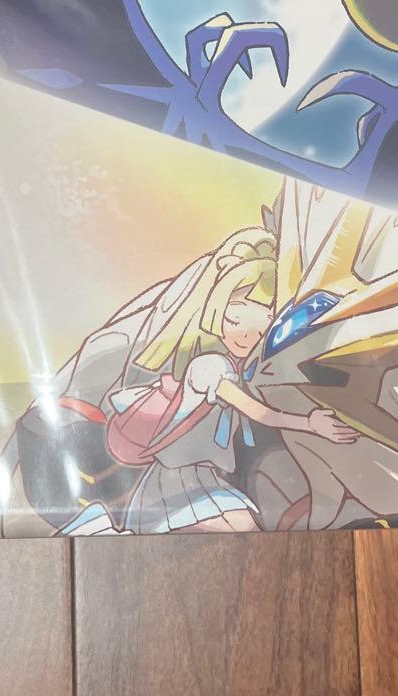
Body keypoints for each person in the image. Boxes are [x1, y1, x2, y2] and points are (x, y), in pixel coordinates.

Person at [104, 225, 358, 533]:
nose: (244, 335)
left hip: (204, 478)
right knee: (241, 528)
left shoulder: (242, 367)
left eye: (261, 327)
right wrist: (310, 423)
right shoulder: (210, 366)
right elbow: (258, 412)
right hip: (179, 482)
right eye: (234, 319)